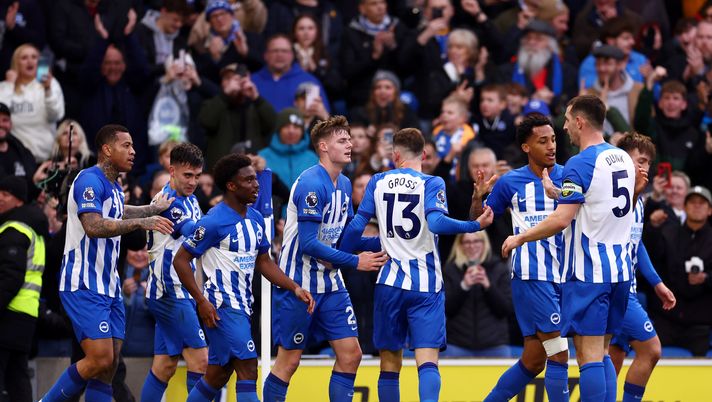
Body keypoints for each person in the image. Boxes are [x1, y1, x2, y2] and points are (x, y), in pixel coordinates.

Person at [502, 95, 644, 402]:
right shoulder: (622, 158)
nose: (564, 128)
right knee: (603, 350)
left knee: (588, 353)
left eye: (566, 121)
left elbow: (563, 219)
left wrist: (521, 238)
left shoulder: (581, 162)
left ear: (580, 121)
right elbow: (598, 203)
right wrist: (557, 191)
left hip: (589, 271)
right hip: (620, 270)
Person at [339, 127, 494, 402]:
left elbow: (356, 229)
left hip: (388, 284)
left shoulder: (377, 180)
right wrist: (473, 225)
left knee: (389, 364)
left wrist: (351, 248)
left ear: (395, 154)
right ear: (423, 153)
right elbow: (435, 223)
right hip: (425, 285)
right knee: (427, 363)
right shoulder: (431, 182)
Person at [39, 124, 175, 402]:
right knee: (99, 359)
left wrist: (151, 208)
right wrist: (142, 221)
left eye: (134, 146)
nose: (133, 151)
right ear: (106, 149)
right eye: (126, 145)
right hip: (83, 282)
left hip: (109, 285)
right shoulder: (89, 180)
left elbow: (118, 210)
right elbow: (94, 225)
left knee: (110, 366)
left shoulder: (112, 185)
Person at [263, 116, 388, 402]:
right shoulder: (310, 183)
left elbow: (342, 236)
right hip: (299, 284)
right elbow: (309, 244)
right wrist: (357, 262)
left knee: (351, 354)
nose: (350, 144)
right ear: (323, 146)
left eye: (350, 139)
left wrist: (387, 242)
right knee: (289, 362)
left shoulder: (344, 184)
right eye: (342, 140)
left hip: (331, 283)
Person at [172, 153, 315, 402]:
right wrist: (201, 301)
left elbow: (264, 261)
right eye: (248, 180)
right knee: (248, 367)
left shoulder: (256, 219)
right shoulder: (213, 222)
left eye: (256, 179)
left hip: (243, 306)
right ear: (231, 185)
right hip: (222, 306)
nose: (256, 185)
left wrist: (294, 287)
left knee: (218, 374)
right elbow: (181, 260)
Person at [474, 113, 570, 401]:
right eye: (542, 141)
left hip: (566, 275)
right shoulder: (510, 182)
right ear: (526, 147)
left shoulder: (570, 176)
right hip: (532, 275)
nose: (551, 146)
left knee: (533, 359)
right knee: (559, 353)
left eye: (553, 139)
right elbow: (480, 220)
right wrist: (478, 198)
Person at [608, 132, 677, 402]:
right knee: (651, 350)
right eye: (640, 160)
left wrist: (657, 283)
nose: (644, 168)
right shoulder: (613, 197)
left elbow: (636, 245)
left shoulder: (637, 201)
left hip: (629, 289)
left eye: (648, 162)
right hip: (615, 287)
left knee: (614, 358)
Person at [139, 143, 208, 401]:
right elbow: (195, 233)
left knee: (165, 366)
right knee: (201, 361)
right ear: (172, 170)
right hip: (170, 291)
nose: (193, 182)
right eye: (187, 175)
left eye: (197, 176)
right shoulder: (166, 202)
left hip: (175, 291)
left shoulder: (190, 199)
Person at [646, 185, 712, 357]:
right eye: (692, 202)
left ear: (710, 210)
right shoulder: (668, 233)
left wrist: (706, 278)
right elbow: (650, 259)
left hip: (701, 322)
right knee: (650, 355)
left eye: (702, 203)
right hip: (667, 318)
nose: (697, 206)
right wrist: (652, 227)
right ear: (684, 207)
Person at [0, 176, 48, 402]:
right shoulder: (34, 231)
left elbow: (10, 277)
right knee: (18, 380)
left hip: (8, 315)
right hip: (26, 316)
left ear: (19, 200)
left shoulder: (13, 230)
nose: (0, 197)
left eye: (6, 193)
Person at [442, 231, 512, 357]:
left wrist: (488, 286)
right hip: (457, 346)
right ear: (460, 245)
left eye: (476, 241)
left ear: (484, 243)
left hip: (495, 346)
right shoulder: (450, 270)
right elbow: (447, 309)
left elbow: (506, 309)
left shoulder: (499, 268)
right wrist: (464, 286)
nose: (472, 246)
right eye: (467, 242)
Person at [0, 43, 65, 162]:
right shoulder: (4, 87)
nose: (30, 61)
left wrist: (47, 90)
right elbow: (1, 116)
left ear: (39, 62)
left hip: (44, 157)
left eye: (34, 57)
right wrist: (9, 86)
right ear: (16, 63)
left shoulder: (51, 83)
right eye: (24, 58)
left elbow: (56, 115)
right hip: (14, 157)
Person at [0, 102, 36, 195]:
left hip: (25, 204)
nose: (1, 124)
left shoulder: (20, 150)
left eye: (5, 120)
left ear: (10, 124)